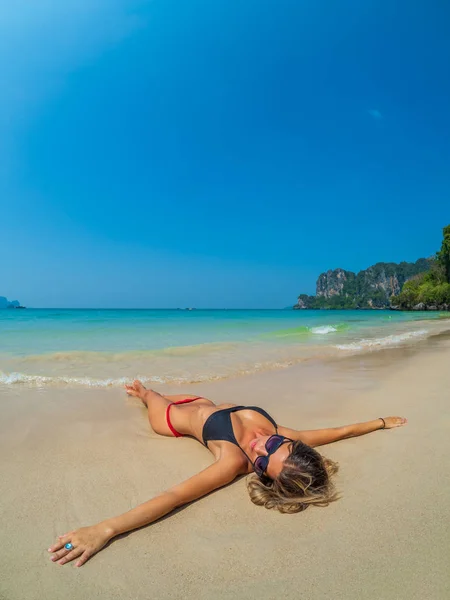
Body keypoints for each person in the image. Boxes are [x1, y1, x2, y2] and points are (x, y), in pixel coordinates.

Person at [48, 380, 407, 567]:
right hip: (204, 401)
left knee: (150, 394)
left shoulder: (232, 461)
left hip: (172, 419)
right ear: (291, 443)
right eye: (272, 445)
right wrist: (380, 422)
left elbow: (174, 497)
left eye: (263, 464)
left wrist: (105, 528)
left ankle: (142, 393)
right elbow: (338, 432)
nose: (258, 449)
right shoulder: (285, 432)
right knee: (178, 394)